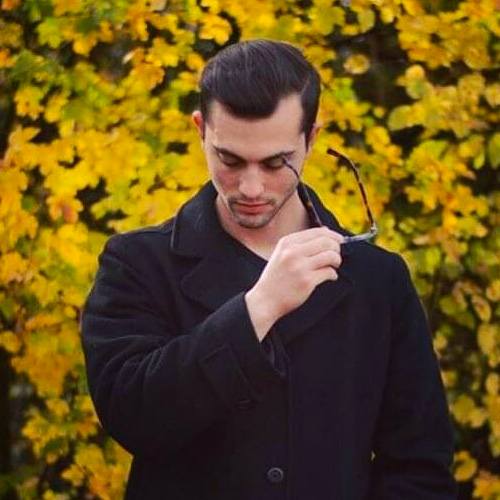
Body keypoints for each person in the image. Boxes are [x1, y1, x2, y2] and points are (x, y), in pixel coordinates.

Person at [80, 39, 458, 499]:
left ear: (311, 139)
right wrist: (258, 308)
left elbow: (420, 465)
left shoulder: (379, 280)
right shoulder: (137, 263)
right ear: (201, 130)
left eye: (276, 162)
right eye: (230, 160)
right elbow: (134, 418)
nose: (251, 187)